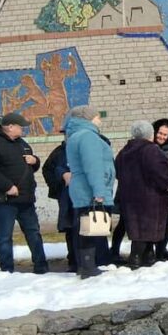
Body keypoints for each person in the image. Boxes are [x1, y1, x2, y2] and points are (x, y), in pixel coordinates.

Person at [0, 112, 49, 274]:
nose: (23, 129)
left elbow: (31, 166)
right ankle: (7, 270)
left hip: (26, 199)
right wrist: (7, 186)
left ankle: (41, 266)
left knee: (33, 232)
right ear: (10, 127)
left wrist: (35, 161)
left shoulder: (22, 143)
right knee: (4, 236)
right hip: (4, 200)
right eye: (21, 126)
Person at [114, 120, 168, 269]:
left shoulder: (124, 151)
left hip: (129, 198)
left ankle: (147, 259)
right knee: (146, 233)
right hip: (150, 199)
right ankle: (136, 261)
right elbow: (159, 172)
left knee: (139, 233)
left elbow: (117, 170)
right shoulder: (151, 150)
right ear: (149, 134)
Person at [64, 106, 116, 278]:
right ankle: (89, 267)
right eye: (96, 116)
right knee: (90, 229)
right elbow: (93, 166)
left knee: (85, 228)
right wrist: (99, 191)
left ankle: (86, 265)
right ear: (89, 118)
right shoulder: (88, 136)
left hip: (81, 189)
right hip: (89, 190)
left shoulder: (75, 135)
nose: (99, 119)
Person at [42, 134, 77, 273]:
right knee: (70, 228)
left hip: (87, 196)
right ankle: (73, 260)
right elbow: (47, 170)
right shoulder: (59, 152)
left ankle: (92, 259)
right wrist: (58, 186)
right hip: (66, 197)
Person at [151, 118, 168, 260]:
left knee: (167, 223)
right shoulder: (149, 148)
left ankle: (162, 250)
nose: (161, 137)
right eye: (159, 133)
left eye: (165, 135)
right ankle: (153, 251)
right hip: (152, 191)